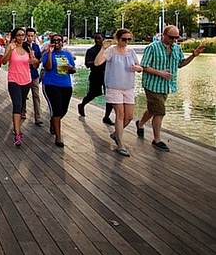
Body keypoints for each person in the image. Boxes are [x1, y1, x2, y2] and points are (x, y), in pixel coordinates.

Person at [137, 25, 205, 151]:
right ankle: (157, 140)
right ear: (164, 35)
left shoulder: (176, 48)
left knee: (153, 109)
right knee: (160, 111)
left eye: (176, 38)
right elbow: (144, 67)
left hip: (167, 86)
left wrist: (193, 55)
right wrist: (160, 73)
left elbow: (180, 64)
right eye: (171, 37)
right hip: (152, 85)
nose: (174, 40)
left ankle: (140, 123)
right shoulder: (152, 48)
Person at [94, 28, 142, 157]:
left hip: (128, 87)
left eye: (128, 39)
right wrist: (103, 49)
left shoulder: (131, 51)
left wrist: (137, 68)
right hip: (114, 86)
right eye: (124, 39)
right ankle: (121, 144)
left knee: (129, 116)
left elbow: (139, 66)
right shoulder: (111, 51)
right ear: (118, 38)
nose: (126, 41)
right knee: (120, 114)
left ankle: (116, 134)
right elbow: (97, 62)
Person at [2, 27, 40, 146]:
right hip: (14, 80)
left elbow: (34, 65)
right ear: (14, 36)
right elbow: (4, 62)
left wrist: (33, 57)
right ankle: (17, 135)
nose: (21, 37)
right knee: (17, 105)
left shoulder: (27, 48)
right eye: (18, 35)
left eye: (22, 35)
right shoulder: (11, 47)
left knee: (22, 103)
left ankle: (16, 127)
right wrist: (9, 50)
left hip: (26, 80)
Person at [42, 34, 76, 147]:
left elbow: (74, 69)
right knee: (56, 109)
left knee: (63, 110)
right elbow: (48, 67)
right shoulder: (47, 54)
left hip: (65, 85)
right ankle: (58, 137)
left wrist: (71, 68)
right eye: (54, 41)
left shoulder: (67, 54)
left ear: (62, 42)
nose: (56, 43)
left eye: (59, 40)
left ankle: (53, 122)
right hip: (51, 84)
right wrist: (50, 52)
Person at [78, 33, 114, 125]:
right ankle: (82, 105)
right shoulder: (91, 51)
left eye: (99, 38)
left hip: (108, 75)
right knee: (92, 94)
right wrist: (96, 62)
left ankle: (107, 116)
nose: (97, 40)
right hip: (95, 75)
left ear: (103, 39)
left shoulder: (109, 50)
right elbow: (87, 64)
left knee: (110, 97)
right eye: (96, 39)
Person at [22, 27, 43, 125]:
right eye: (29, 36)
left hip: (34, 74)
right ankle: (23, 111)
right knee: (23, 95)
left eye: (32, 36)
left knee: (36, 95)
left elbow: (38, 60)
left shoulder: (36, 47)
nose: (30, 38)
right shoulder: (22, 46)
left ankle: (37, 116)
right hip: (24, 74)